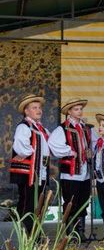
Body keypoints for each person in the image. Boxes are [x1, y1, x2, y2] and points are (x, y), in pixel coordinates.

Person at [49, 98, 97, 240]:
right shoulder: (63, 128)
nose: (80, 111)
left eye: (80, 109)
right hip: (71, 173)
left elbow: (93, 144)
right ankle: (71, 234)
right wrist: (70, 152)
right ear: (69, 111)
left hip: (85, 172)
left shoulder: (87, 128)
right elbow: (53, 144)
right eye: (76, 109)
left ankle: (80, 232)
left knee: (83, 201)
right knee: (71, 201)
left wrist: (90, 152)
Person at [9, 94, 50, 233]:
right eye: (34, 108)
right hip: (29, 173)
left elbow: (50, 146)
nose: (39, 110)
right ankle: (25, 235)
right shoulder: (24, 127)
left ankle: (34, 234)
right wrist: (34, 152)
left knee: (38, 203)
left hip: (40, 171)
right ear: (26, 111)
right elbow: (21, 147)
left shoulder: (41, 129)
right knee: (28, 203)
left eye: (39, 107)